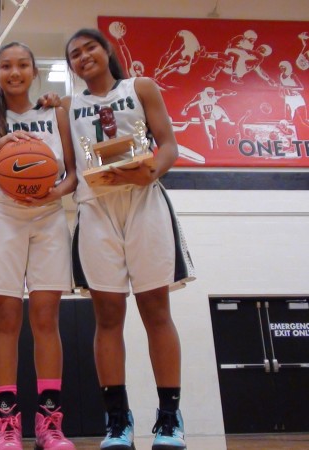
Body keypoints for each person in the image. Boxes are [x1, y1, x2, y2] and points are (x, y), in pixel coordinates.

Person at [62, 29, 195, 450]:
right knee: (107, 317)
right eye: (74, 55)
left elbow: (169, 144)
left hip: (143, 203)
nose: (83, 57)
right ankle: (117, 421)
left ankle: (170, 419)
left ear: (107, 51)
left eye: (89, 48)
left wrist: (152, 170)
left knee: (157, 310)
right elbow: (70, 169)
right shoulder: (67, 106)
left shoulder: (141, 87)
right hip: (95, 209)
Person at [0, 42, 77, 450]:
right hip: (0, 214)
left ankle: (50, 425)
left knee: (46, 319)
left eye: (22, 65)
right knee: (6, 320)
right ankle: (6, 426)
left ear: (34, 70)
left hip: (48, 215)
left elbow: (74, 175)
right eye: (6, 66)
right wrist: (1, 146)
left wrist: (55, 193)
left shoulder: (55, 112)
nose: (14, 72)